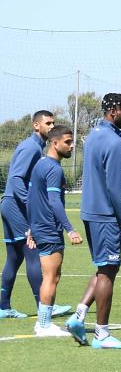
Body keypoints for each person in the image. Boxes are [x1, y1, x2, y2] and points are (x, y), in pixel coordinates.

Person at [67, 93, 121, 349]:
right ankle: (102, 334)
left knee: (104, 268)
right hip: (105, 215)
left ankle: (78, 316)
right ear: (114, 111)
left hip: (89, 212)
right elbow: (115, 189)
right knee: (108, 270)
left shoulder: (94, 135)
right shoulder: (113, 141)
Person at [25, 125, 81, 338]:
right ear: (54, 143)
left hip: (40, 226)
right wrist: (70, 229)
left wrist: (31, 226)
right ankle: (44, 325)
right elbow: (54, 202)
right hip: (49, 228)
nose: (72, 145)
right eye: (67, 142)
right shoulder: (54, 169)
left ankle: (44, 323)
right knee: (51, 277)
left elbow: (31, 199)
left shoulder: (40, 164)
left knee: (51, 276)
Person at [2, 109, 55, 320]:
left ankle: (3, 306)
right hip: (15, 205)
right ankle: (43, 304)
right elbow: (16, 179)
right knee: (33, 252)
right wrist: (30, 205)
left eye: (53, 123)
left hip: (8, 204)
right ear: (36, 125)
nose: (52, 126)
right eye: (48, 123)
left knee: (14, 258)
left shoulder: (35, 147)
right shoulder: (32, 147)